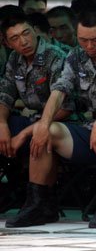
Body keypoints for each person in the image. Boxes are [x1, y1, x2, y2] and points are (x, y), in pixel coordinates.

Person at [7, 9, 96, 229]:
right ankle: (39, 204)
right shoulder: (75, 56)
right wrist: (42, 125)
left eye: (95, 40)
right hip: (89, 127)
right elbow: (59, 90)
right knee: (47, 132)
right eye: (83, 40)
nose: (89, 46)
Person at [0, 11, 69, 212]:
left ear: (35, 32)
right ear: (7, 43)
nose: (23, 41)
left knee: (41, 134)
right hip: (31, 119)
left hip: (61, 121)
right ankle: (11, 190)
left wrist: (24, 133)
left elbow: (66, 107)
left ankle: (38, 203)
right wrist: (2, 124)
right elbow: (5, 94)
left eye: (26, 33)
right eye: (15, 38)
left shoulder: (55, 57)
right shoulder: (14, 59)